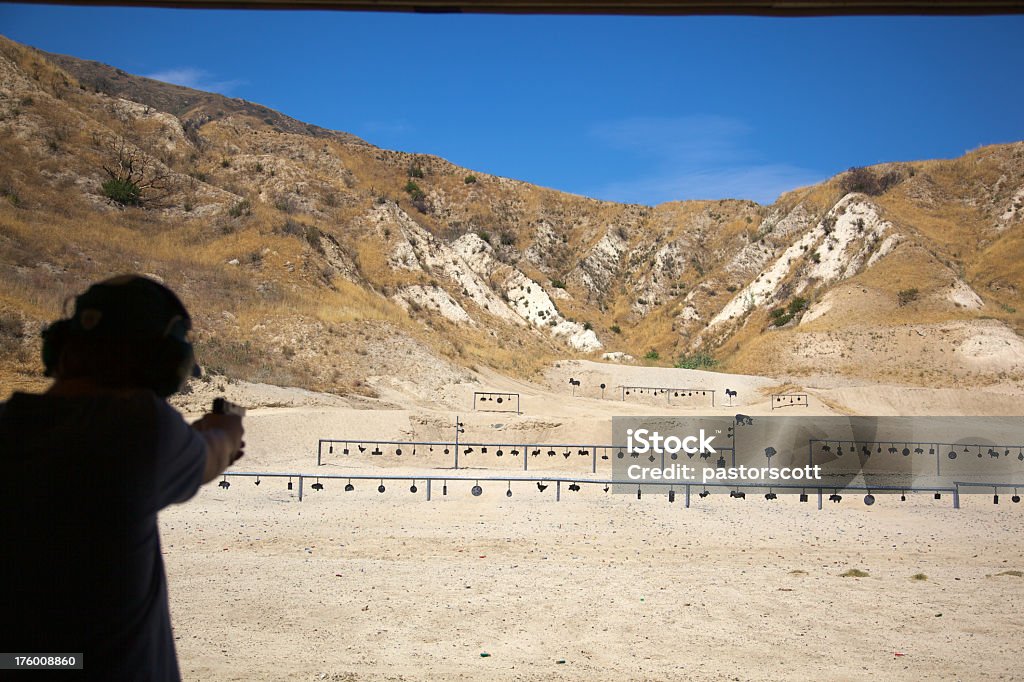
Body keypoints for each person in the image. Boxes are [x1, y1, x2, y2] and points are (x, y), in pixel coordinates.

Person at [0, 274, 245, 681]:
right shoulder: (139, 428)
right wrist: (227, 427)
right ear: (164, 360)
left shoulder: (7, 428)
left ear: (60, 346)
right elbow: (214, 449)